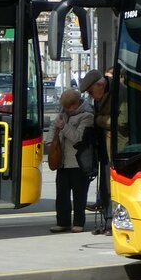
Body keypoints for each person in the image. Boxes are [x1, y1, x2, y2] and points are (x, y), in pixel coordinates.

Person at [50, 88, 95, 233]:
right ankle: (62, 221)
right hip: (62, 162)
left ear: (77, 103)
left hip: (78, 162)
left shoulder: (87, 116)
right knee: (61, 194)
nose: (68, 110)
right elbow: (52, 131)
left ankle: (78, 222)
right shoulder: (62, 114)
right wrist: (52, 139)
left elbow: (79, 138)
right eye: (65, 107)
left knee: (79, 195)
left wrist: (64, 127)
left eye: (70, 106)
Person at [79, 68, 113, 234]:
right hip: (103, 150)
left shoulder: (118, 93)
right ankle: (107, 221)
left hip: (115, 150)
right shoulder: (99, 98)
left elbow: (123, 121)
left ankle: (113, 221)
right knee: (105, 187)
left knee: (114, 187)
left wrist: (97, 120)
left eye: (92, 92)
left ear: (100, 84)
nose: (92, 96)